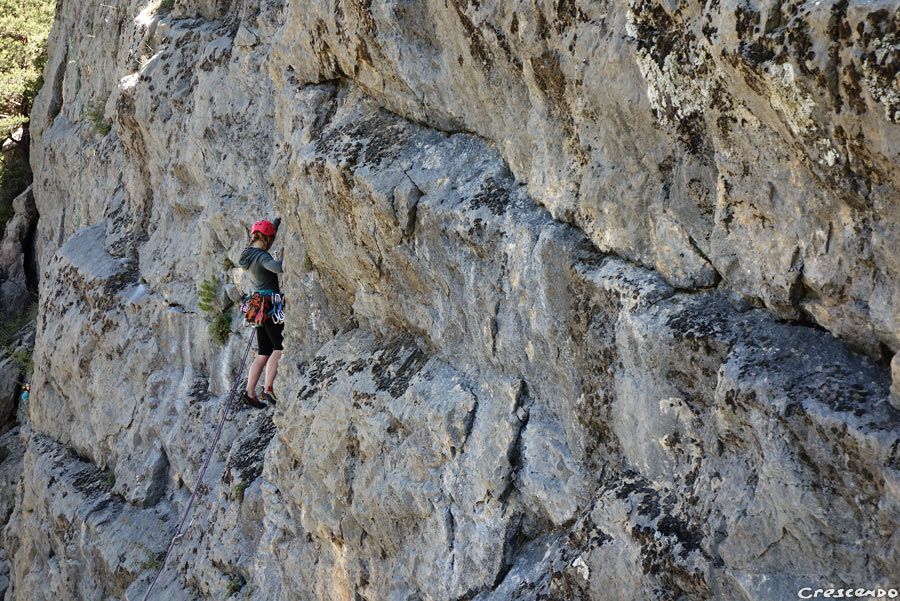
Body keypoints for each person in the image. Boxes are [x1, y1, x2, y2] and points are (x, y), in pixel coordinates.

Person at [239, 215, 284, 408]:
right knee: (279, 347)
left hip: (257, 307)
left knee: (263, 352)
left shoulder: (248, 255)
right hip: (270, 306)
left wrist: (277, 221)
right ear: (266, 239)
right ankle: (267, 389)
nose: (271, 243)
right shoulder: (262, 257)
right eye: (270, 240)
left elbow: (267, 234)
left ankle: (250, 392)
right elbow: (278, 268)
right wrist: (290, 254)